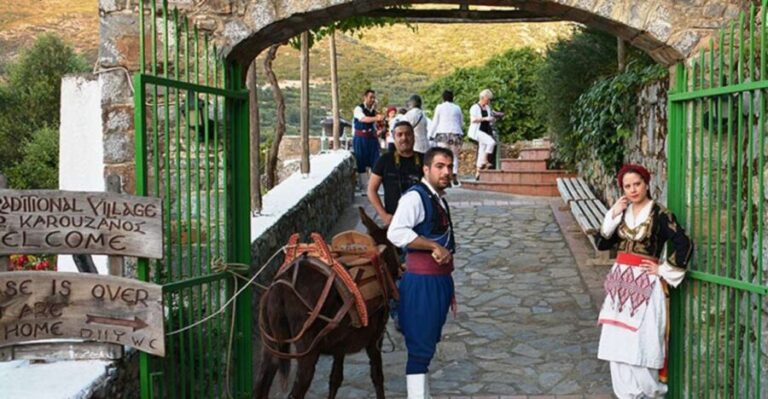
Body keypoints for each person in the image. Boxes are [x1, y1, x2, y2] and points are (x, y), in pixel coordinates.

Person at [594, 164, 693, 399]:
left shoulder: (660, 214)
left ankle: (648, 393)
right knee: (617, 341)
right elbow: (601, 244)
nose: (632, 190)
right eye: (627, 186)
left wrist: (662, 269)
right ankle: (625, 394)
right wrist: (613, 214)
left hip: (646, 283)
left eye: (637, 184)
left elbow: (684, 244)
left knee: (643, 339)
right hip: (620, 284)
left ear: (646, 183)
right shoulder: (622, 213)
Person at [387, 147, 456, 399]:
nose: (446, 171)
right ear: (426, 169)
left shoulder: (437, 197)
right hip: (422, 284)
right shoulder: (415, 198)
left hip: (438, 282)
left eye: (449, 166)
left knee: (426, 348)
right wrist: (432, 245)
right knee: (419, 349)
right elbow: (395, 232)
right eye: (440, 166)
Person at [368, 121, 424, 226]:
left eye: (408, 134)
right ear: (394, 138)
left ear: (414, 137)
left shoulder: (425, 160)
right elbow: (371, 190)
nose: (404, 138)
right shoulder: (384, 160)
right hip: (394, 220)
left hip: (421, 219)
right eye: (400, 135)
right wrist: (383, 215)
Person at [429, 90, 463, 186]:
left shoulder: (439, 107)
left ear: (443, 98)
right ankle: (454, 175)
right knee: (454, 156)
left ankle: (445, 176)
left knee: (443, 156)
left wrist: (430, 135)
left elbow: (435, 122)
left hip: (443, 134)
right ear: (453, 97)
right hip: (456, 133)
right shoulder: (457, 108)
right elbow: (461, 122)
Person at [353, 89, 384, 191]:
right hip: (361, 139)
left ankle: (374, 187)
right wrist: (376, 118)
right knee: (361, 161)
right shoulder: (358, 109)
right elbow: (363, 119)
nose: (372, 99)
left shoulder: (374, 111)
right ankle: (364, 187)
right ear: (365, 97)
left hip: (371, 139)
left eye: (374, 98)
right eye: (370, 97)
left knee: (375, 162)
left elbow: (377, 125)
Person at [467, 89, 496, 181]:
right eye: (488, 99)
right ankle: (486, 160)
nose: (489, 101)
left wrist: (492, 119)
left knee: (482, 150)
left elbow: (489, 118)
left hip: (485, 130)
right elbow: (473, 120)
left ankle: (478, 172)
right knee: (491, 142)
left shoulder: (487, 108)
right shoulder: (474, 107)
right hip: (477, 131)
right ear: (483, 98)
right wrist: (485, 118)